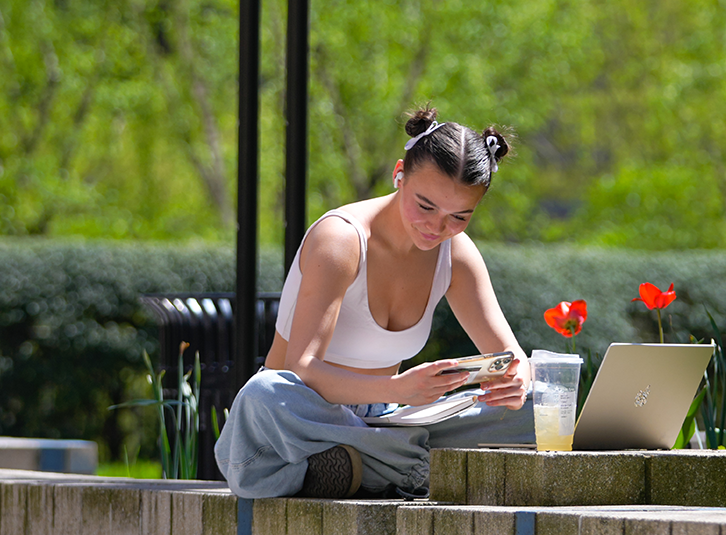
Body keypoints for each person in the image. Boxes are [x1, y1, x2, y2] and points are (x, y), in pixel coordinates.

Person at [214, 107, 534, 499]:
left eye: (459, 217)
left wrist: (518, 382)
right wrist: (399, 388)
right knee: (262, 394)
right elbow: (302, 368)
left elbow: (512, 357)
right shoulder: (341, 240)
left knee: (534, 410)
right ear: (400, 173)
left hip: (388, 422)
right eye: (425, 206)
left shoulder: (457, 255)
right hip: (299, 419)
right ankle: (416, 469)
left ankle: (361, 468)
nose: (436, 228)